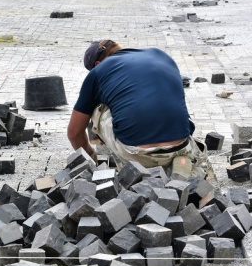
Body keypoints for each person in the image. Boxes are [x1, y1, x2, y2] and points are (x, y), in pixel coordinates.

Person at [67, 39, 206, 173]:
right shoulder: (161, 55)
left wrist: (92, 159)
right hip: (182, 146)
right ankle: (182, 166)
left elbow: (74, 133)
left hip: (137, 154)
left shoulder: (99, 71)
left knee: (98, 106)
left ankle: (121, 164)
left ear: (97, 64)